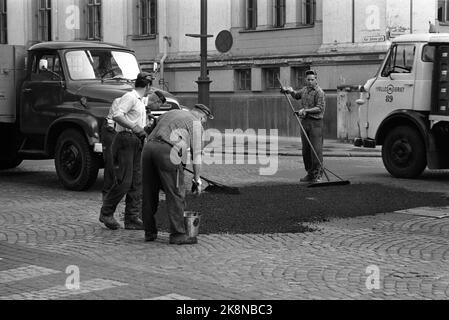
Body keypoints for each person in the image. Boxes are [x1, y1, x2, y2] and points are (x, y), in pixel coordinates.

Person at [141, 104, 214, 245]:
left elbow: (150, 127)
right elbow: (197, 155)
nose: (204, 123)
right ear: (202, 116)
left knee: (149, 193)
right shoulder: (196, 124)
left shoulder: (172, 112)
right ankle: (178, 234)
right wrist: (197, 179)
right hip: (168, 151)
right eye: (205, 120)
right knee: (176, 193)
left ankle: (149, 232)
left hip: (148, 148)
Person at [99, 72, 154, 231]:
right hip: (125, 139)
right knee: (125, 181)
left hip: (136, 141)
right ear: (147, 86)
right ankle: (106, 212)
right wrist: (134, 127)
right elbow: (117, 115)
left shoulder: (139, 100)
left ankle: (132, 218)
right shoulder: (130, 97)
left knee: (137, 181)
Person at [282, 70, 326, 183]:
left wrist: (305, 110)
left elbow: (320, 108)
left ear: (316, 80)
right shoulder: (305, 90)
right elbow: (296, 95)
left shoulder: (319, 92)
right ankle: (310, 173)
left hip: (316, 124)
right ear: (306, 80)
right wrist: (289, 91)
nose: (310, 81)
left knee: (316, 150)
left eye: (312, 79)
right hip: (305, 123)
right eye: (308, 79)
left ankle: (318, 174)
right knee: (306, 150)